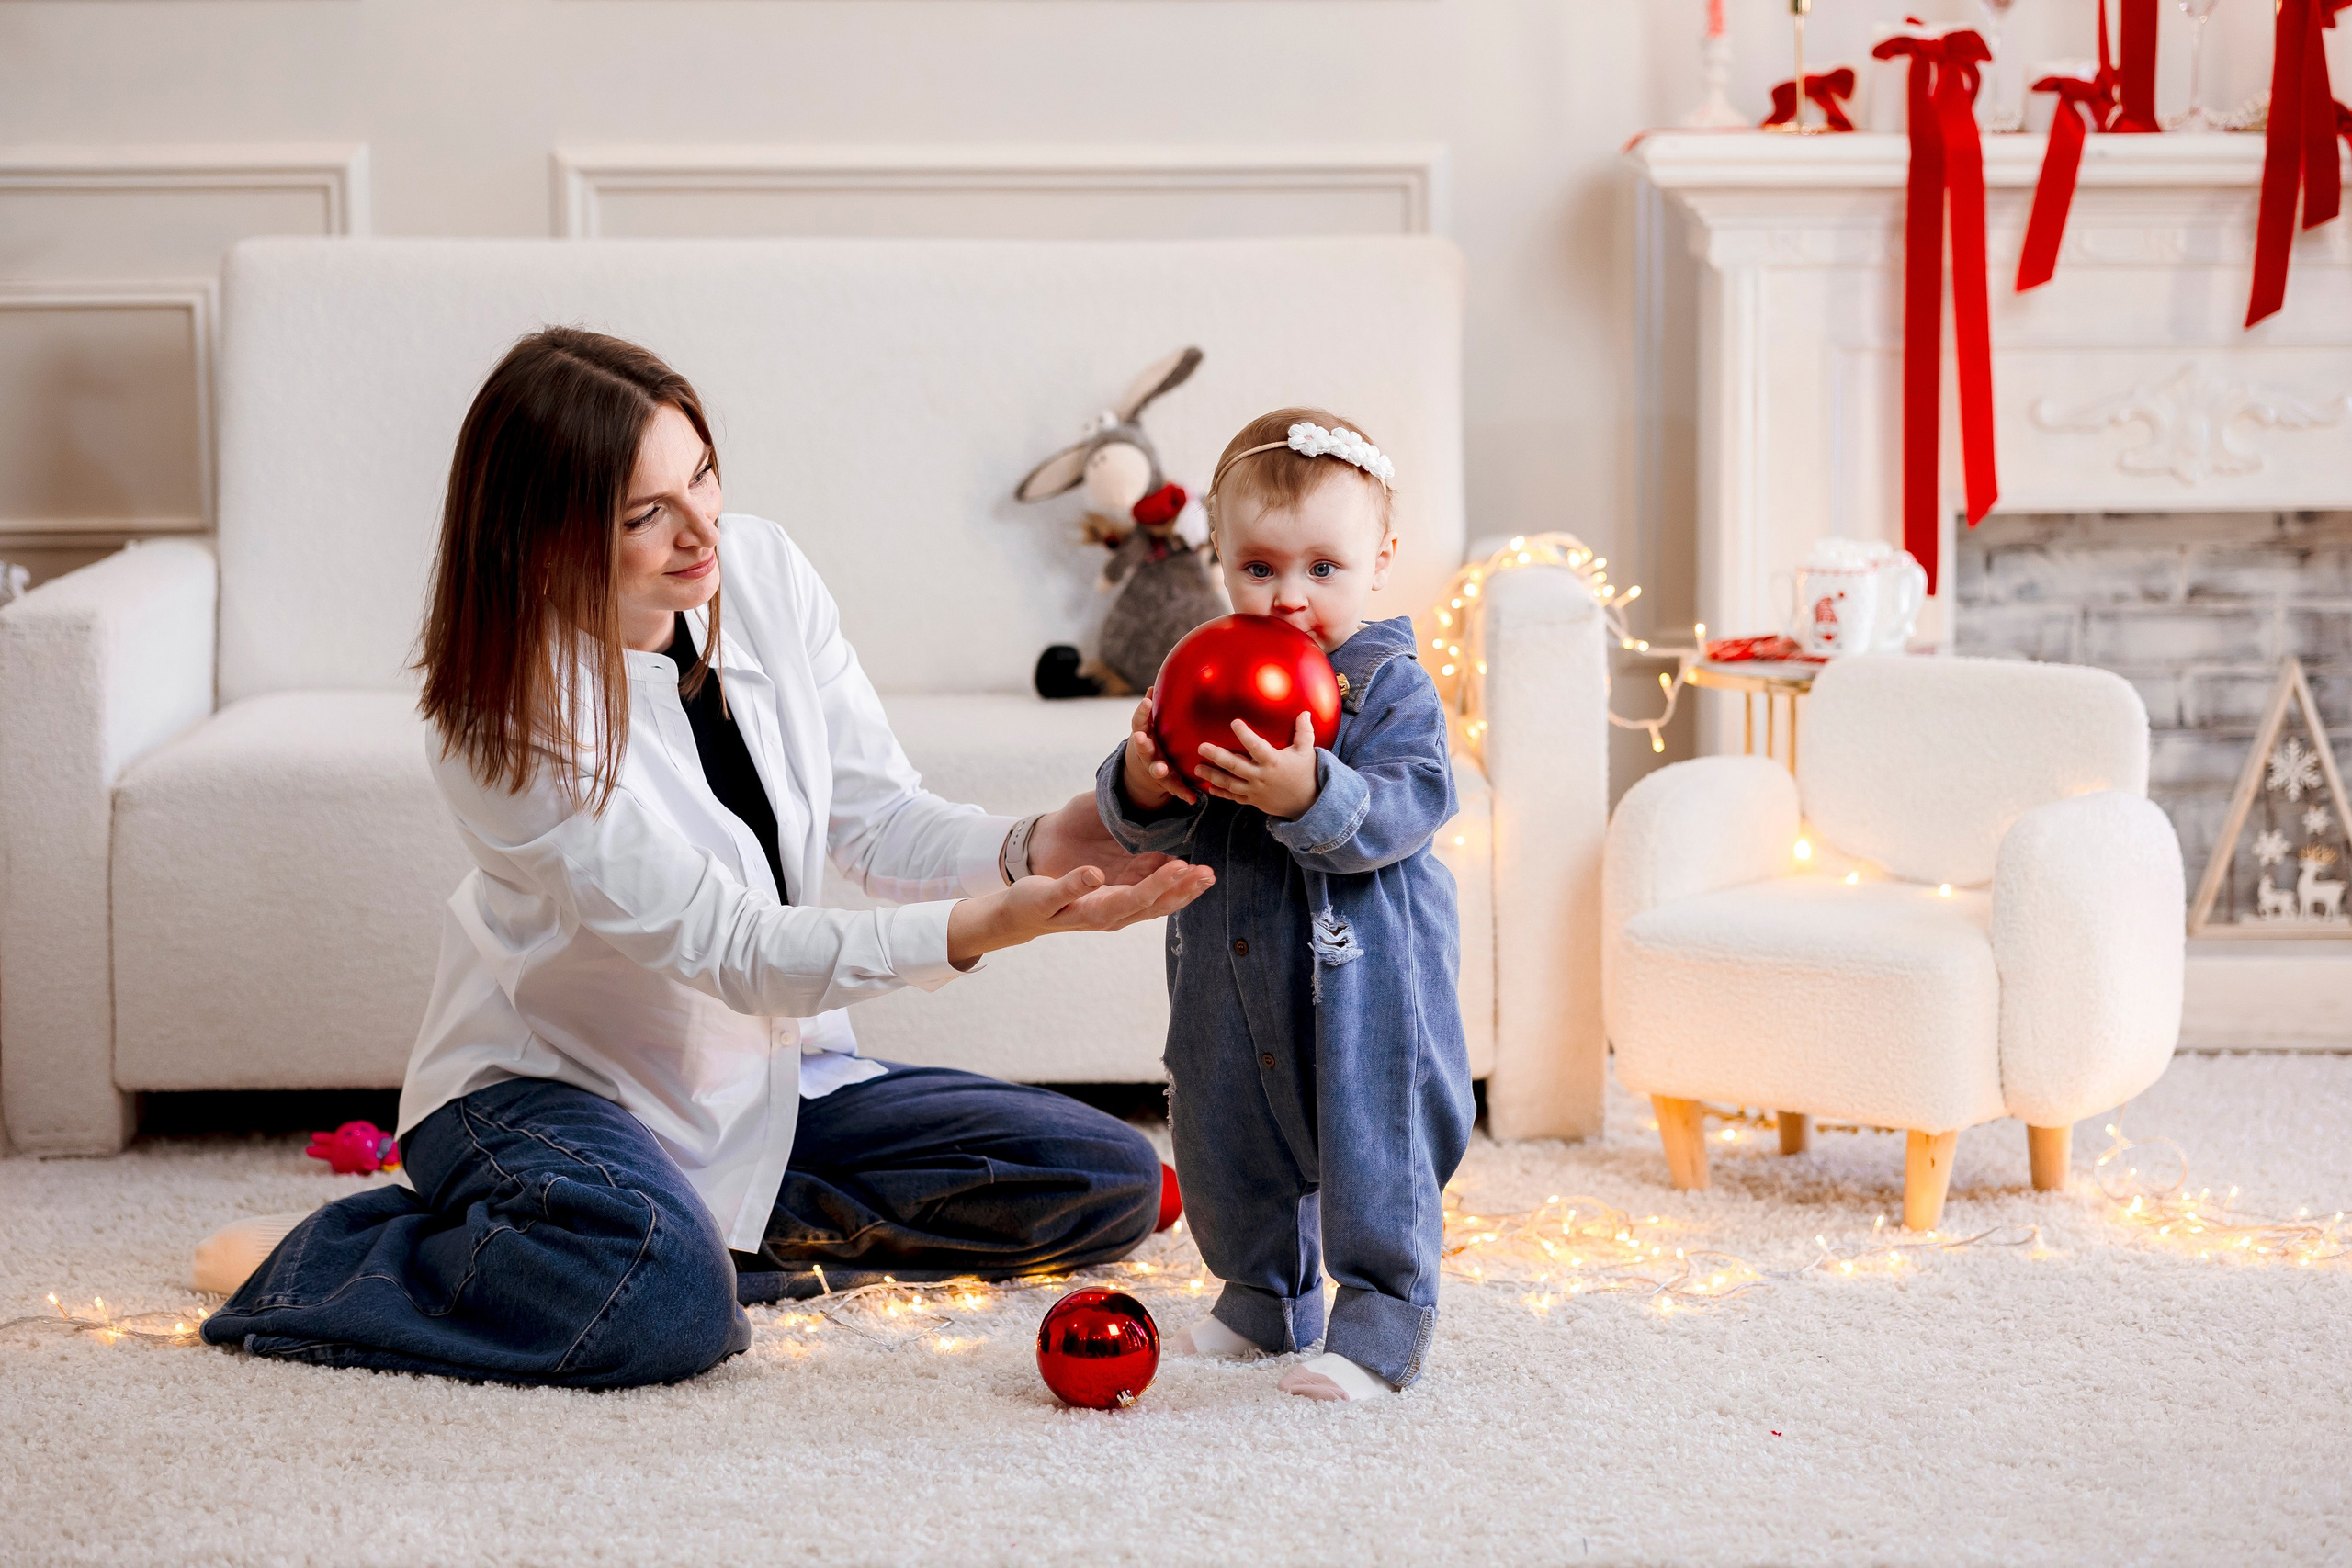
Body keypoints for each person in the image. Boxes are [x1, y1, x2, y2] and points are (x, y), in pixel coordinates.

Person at [197, 328, 1213, 1387]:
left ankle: (654, 1239)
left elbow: (874, 818)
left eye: (704, 476)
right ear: (540, 542)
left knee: (1106, 1180)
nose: (702, 530)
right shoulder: (499, 728)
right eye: (646, 515)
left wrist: (1035, 846)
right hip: (548, 1093)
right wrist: (980, 930)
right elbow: (729, 945)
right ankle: (362, 1249)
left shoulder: (762, 570)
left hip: (771, 1083)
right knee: (667, 1312)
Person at [1098, 409, 1473, 1402]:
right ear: (1220, 557)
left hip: (1365, 982)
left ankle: (1382, 1324)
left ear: (1379, 560)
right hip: (1228, 967)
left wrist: (1313, 794)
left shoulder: (1391, 684)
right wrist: (1142, 782)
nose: (1289, 598)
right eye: (1260, 568)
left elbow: (1413, 802)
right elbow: (1156, 824)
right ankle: (1261, 1297)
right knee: (1223, 1130)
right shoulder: (1210, 671)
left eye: (1322, 569)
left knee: (1372, 1143)